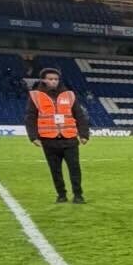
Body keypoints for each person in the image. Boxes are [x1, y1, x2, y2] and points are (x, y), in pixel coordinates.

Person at [25, 65, 90, 203]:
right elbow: (30, 117)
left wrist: (84, 134)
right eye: (50, 79)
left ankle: (78, 195)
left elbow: (79, 115)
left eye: (56, 79)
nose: (54, 81)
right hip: (49, 140)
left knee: (75, 169)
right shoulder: (35, 96)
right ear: (43, 80)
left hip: (69, 138)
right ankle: (61, 195)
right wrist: (33, 137)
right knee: (55, 170)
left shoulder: (69, 95)